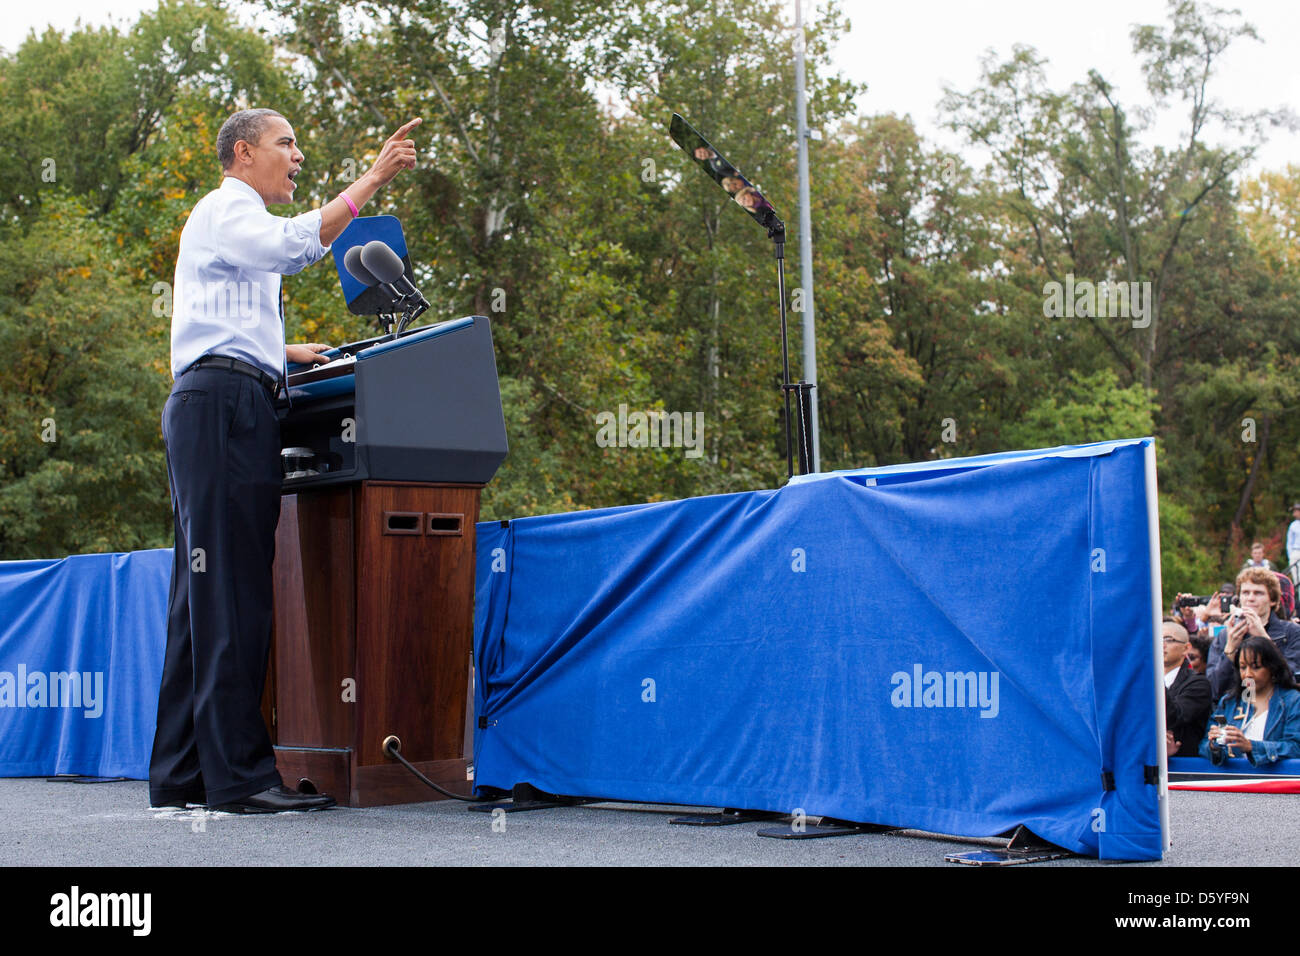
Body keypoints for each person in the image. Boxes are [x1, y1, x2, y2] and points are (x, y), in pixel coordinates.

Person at [150, 108, 421, 813]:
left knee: (201, 597)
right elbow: (297, 246)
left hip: (222, 400)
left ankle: (182, 776)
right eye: (286, 143)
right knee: (232, 593)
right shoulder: (227, 207)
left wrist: (285, 352)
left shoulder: (226, 221)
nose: (297, 155)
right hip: (223, 408)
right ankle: (240, 782)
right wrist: (374, 178)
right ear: (244, 153)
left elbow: (225, 315)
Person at [1199, 636, 1300, 767]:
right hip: (1235, 782)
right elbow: (1203, 746)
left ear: (1273, 668)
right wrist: (1214, 745)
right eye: (1242, 667)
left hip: (1275, 783)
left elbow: (1295, 747)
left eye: (1255, 667)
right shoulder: (1229, 701)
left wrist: (1251, 746)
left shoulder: (1293, 700)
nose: (1248, 674)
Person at [1205, 567, 1300, 701]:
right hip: (1237, 712)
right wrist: (1230, 650)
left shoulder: (1292, 632)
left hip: (1278, 709)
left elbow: (1292, 680)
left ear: (1272, 600)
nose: (1250, 598)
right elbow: (1213, 690)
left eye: (1258, 593)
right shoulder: (1225, 635)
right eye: (1245, 593)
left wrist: (1265, 642)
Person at [1162, 620, 1211, 757]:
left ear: (1186, 648)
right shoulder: (1143, 681)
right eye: (1157, 639)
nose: (1162, 645)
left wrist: (1155, 679)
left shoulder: (1199, 684)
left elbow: (1175, 716)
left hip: (1184, 765)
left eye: (1168, 639)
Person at [1288, 503, 1300, 584]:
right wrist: (1290, 555)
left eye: (1295, 511)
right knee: (1296, 580)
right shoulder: (1293, 525)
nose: (1294, 514)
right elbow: (1289, 542)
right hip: (1296, 552)